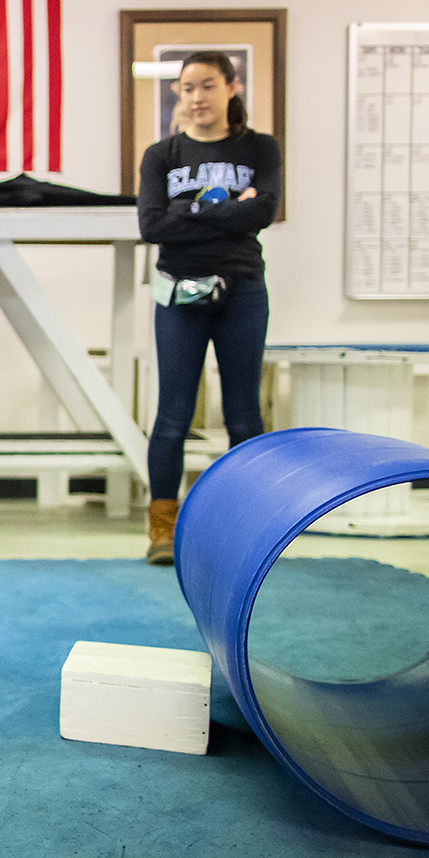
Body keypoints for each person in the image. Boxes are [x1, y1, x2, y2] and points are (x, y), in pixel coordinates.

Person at [135, 51, 281, 566]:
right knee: (173, 414)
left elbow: (263, 212)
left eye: (207, 86)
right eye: (187, 88)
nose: (196, 98)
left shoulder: (260, 148)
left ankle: (253, 526)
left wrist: (189, 209)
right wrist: (225, 209)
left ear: (231, 88)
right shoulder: (161, 155)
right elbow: (152, 227)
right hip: (179, 290)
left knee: (243, 413)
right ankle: (162, 528)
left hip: (242, 288)